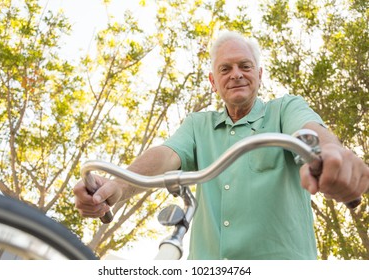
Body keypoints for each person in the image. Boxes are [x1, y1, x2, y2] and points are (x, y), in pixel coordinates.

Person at [74, 31, 369, 260]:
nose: (236, 74)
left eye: (245, 66)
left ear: (259, 75)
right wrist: (117, 187)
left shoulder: (284, 110)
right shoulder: (197, 125)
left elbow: (312, 133)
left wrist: (333, 155)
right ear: (214, 82)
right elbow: (166, 155)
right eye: (225, 69)